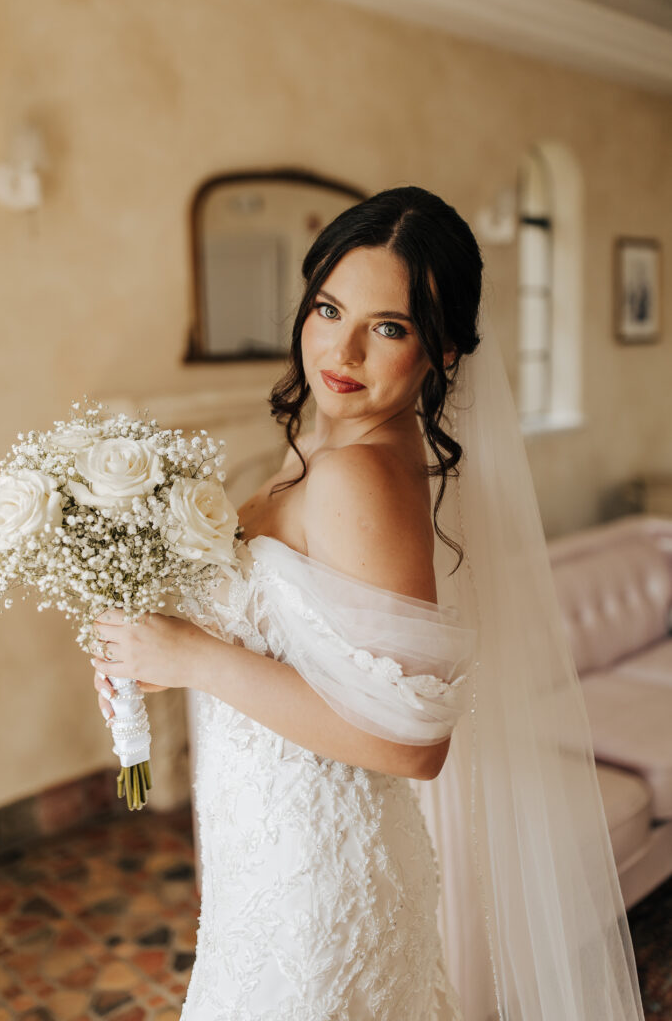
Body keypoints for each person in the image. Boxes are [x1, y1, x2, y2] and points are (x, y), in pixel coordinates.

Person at [91, 186, 646, 1020]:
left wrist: (194, 657)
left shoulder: (357, 473)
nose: (340, 350)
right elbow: (309, 652)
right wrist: (162, 654)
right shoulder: (326, 440)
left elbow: (412, 746)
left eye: (387, 327)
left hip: (317, 876)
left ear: (443, 351)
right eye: (326, 308)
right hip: (268, 844)